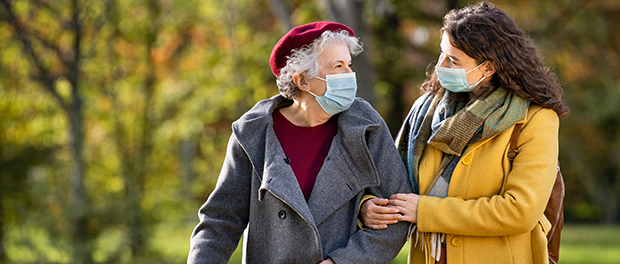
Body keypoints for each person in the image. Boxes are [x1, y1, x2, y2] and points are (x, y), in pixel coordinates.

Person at [360, 2, 569, 264]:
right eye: (441, 54)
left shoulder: (536, 119)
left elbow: (520, 210)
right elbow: (387, 180)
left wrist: (426, 211)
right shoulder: (426, 112)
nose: (440, 66)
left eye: (453, 59)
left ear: (488, 68)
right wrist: (367, 206)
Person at [187, 21, 412, 264]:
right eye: (337, 67)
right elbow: (221, 221)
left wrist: (343, 262)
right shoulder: (253, 133)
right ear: (302, 81)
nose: (349, 75)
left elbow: (397, 212)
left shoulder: (366, 124)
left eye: (349, 65)